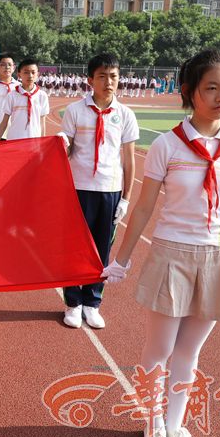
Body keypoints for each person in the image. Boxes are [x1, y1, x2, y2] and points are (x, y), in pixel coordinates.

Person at [102, 49, 220, 437]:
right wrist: (121, 260)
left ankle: (175, 424)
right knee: (160, 349)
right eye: (212, 88)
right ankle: (152, 424)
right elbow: (144, 208)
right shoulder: (167, 145)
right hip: (172, 255)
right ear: (189, 91)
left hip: (218, 257)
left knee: (190, 353)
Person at [58, 53, 138, 329]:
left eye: (113, 76)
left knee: (102, 250)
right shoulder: (75, 111)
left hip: (109, 190)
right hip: (78, 189)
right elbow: (67, 150)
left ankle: (92, 302)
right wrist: (61, 144)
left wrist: (126, 198)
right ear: (90, 80)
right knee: (73, 247)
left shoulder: (125, 115)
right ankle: (73, 303)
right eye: (102, 76)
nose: (108, 82)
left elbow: (129, 160)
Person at [0, 58, 50, 141]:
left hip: (34, 140)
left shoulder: (42, 96)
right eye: (26, 72)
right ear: (19, 75)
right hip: (14, 140)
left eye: (33, 72)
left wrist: (43, 142)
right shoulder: (12, 95)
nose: (30, 76)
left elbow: (42, 122)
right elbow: (4, 121)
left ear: (38, 74)